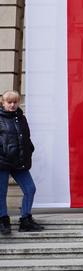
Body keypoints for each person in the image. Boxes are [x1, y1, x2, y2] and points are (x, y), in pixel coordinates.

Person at [0, 90, 42, 234]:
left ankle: (25, 220)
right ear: (3, 103)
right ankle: (3, 221)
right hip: (2, 162)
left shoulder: (21, 118)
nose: (12, 105)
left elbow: (26, 137)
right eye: (9, 102)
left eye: (15, 102)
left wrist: (29, 149)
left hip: (20, 161)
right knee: (1, 192)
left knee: (30, 189)